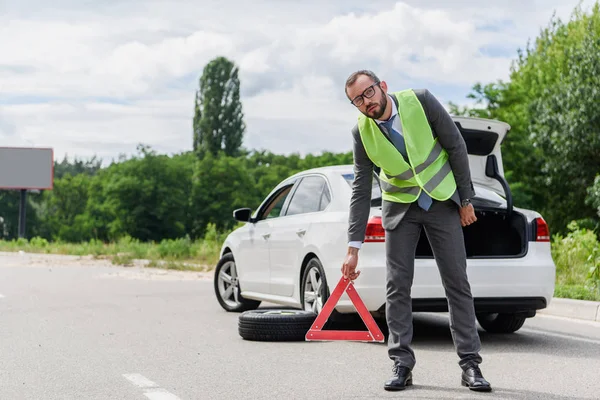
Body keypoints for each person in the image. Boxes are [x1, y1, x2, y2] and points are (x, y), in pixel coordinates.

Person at [341, 70, 492, 393]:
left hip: (442, 202)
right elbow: (360, 190)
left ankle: (470, 365)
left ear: (382, 87)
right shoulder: (361, 133)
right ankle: (402, 364)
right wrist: (352, 247)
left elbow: (456, 146)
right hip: (400, 210)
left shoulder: (420, 101)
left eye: (368, 93)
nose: (366, 102)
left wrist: (466, 199)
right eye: (357, 100)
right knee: (397, 286)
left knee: (456, 282)